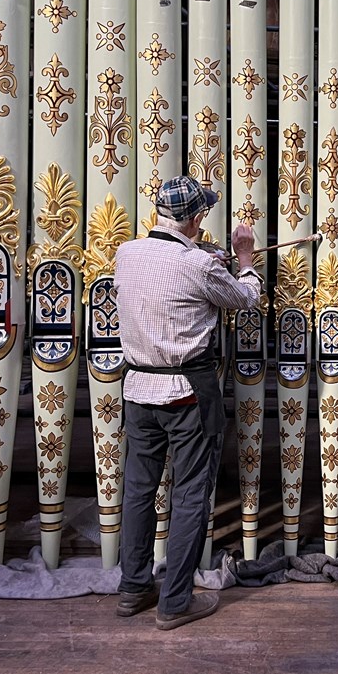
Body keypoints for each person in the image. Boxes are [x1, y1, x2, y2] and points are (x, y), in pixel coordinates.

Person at [114, 175, 261, 631]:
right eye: (202, 215)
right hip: (188, 394)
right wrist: (242, 260)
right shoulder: (199, 265)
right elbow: (246, 299)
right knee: (191, 495)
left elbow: (166, 279)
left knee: (138, 491)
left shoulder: (126, 253)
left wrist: (204, 257)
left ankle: (133, 588)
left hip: (138, 390)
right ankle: (175, 601)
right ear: (196, 217)